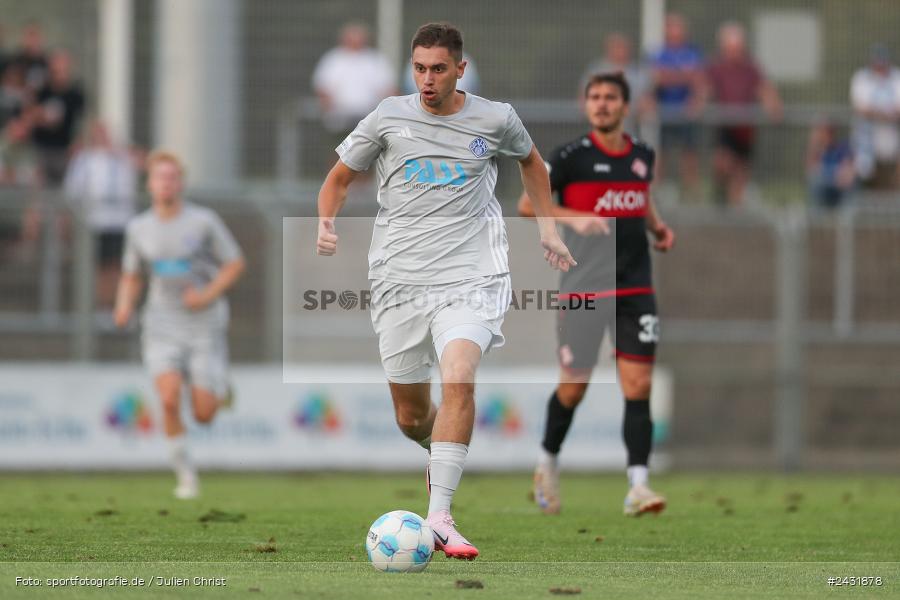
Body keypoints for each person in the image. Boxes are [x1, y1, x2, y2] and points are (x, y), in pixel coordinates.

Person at [315, 22, 574, 559]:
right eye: (419, 69)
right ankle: (441, 451)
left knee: (459, 376)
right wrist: (325, 221)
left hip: (472, 275)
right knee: (411, 419)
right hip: (399, 280)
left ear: (460, 68)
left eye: (437, 69)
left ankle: (439, 517)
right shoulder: (388, 116)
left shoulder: (495, 118)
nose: (427, 80)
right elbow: (338, 178)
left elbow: (531, 162)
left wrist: (547, 228)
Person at [518, 72, 675, 517]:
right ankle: (547, 462)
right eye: (595, 97)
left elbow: (641, 198)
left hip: (635, 286)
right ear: (586, 105)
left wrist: (657, 227)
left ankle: (638, 486)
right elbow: (528, 205)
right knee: (573, 388)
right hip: (584, 287)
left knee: (639, 384)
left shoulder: (642, 154)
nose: (602, 104)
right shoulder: (570, 158)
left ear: (625, 106)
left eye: (610, 97)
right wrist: (575, 217)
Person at [113, 151, 245, 499]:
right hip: (161, 322)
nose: (166, 184)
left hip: (203, 323)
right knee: (169, 399)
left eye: (172, 177)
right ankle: (185, 477)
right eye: (160, 177)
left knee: (203, 414)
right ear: (149, 184)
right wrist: (123, 306)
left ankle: (218, 385)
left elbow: (234, 263)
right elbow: (132, 274)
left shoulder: (203, 222)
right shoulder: (138, 228)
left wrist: (206, 295)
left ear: (181, 183)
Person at [63, 121, 140, 306]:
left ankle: (119, 305)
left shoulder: (124, 157)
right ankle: (102, 306)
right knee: (100, 267)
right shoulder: (85, 159)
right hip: (97, 222)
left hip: (122, 221)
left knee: (121, 266)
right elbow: (73, 190)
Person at [706, 22, 782, 206]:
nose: (734, 53)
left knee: (740, 174)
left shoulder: (750, 69)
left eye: (737, 48)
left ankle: (735, 212)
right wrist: (698, 102)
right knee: (723, 163)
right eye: (730, 49)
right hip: (725, 127)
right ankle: (720, 197)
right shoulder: (717, 67)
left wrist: (772, 105)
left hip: (745, 130)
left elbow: (764, 89)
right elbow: (705, 87)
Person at [651, 13, 705, 197]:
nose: (675, 31)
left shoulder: (693, 52)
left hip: (687, 114)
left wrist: (673, 76)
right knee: (661, 153)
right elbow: (658, 78)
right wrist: (684, 76)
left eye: (678, 27)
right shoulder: (659, 53)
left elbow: (698, 79)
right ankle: (656, 192)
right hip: (664, 112)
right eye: (671, 27)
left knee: (689, 154)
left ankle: (692, 194)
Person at [312, 22, 396, 134]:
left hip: (370, 116)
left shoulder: (376, 60)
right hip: (339, 117)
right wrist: (328, 109)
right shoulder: (332, 59)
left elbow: (388, 90)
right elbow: (323, 89)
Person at [580, 33, 653, 139]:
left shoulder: (638, 72)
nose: (620, 51)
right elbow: (583, 98)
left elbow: (648, 100)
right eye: (616, 47)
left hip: (629, 130)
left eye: (622, 47)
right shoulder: (596, 70)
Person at [30, 50, 85, 187]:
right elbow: (30, 115)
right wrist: (41, 117)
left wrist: (78, 142)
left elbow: (81, 121)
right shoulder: (42, 91)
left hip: (65, 151)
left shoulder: (76, 94)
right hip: (42, 149)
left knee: (64, 189)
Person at [850, 44, 900, 191]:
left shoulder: (896, 77)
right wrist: (886, 114)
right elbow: (861, 109)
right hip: (867, 138)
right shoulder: (861, 77)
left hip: (892, 136)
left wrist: (876, 113)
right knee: (863, 172)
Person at [806, 120, 854, 210]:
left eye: (826, 132)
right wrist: (815, 145)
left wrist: (840, 175)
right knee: (815, 181)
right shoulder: (819, 150)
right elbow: (811, 169)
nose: (823, 136)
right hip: (825, 185)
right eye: (821, 132)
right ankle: (817, 215)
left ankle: (846, 216)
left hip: (840, 184)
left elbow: (848, 169)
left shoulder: (842, 147)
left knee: (852, 184)